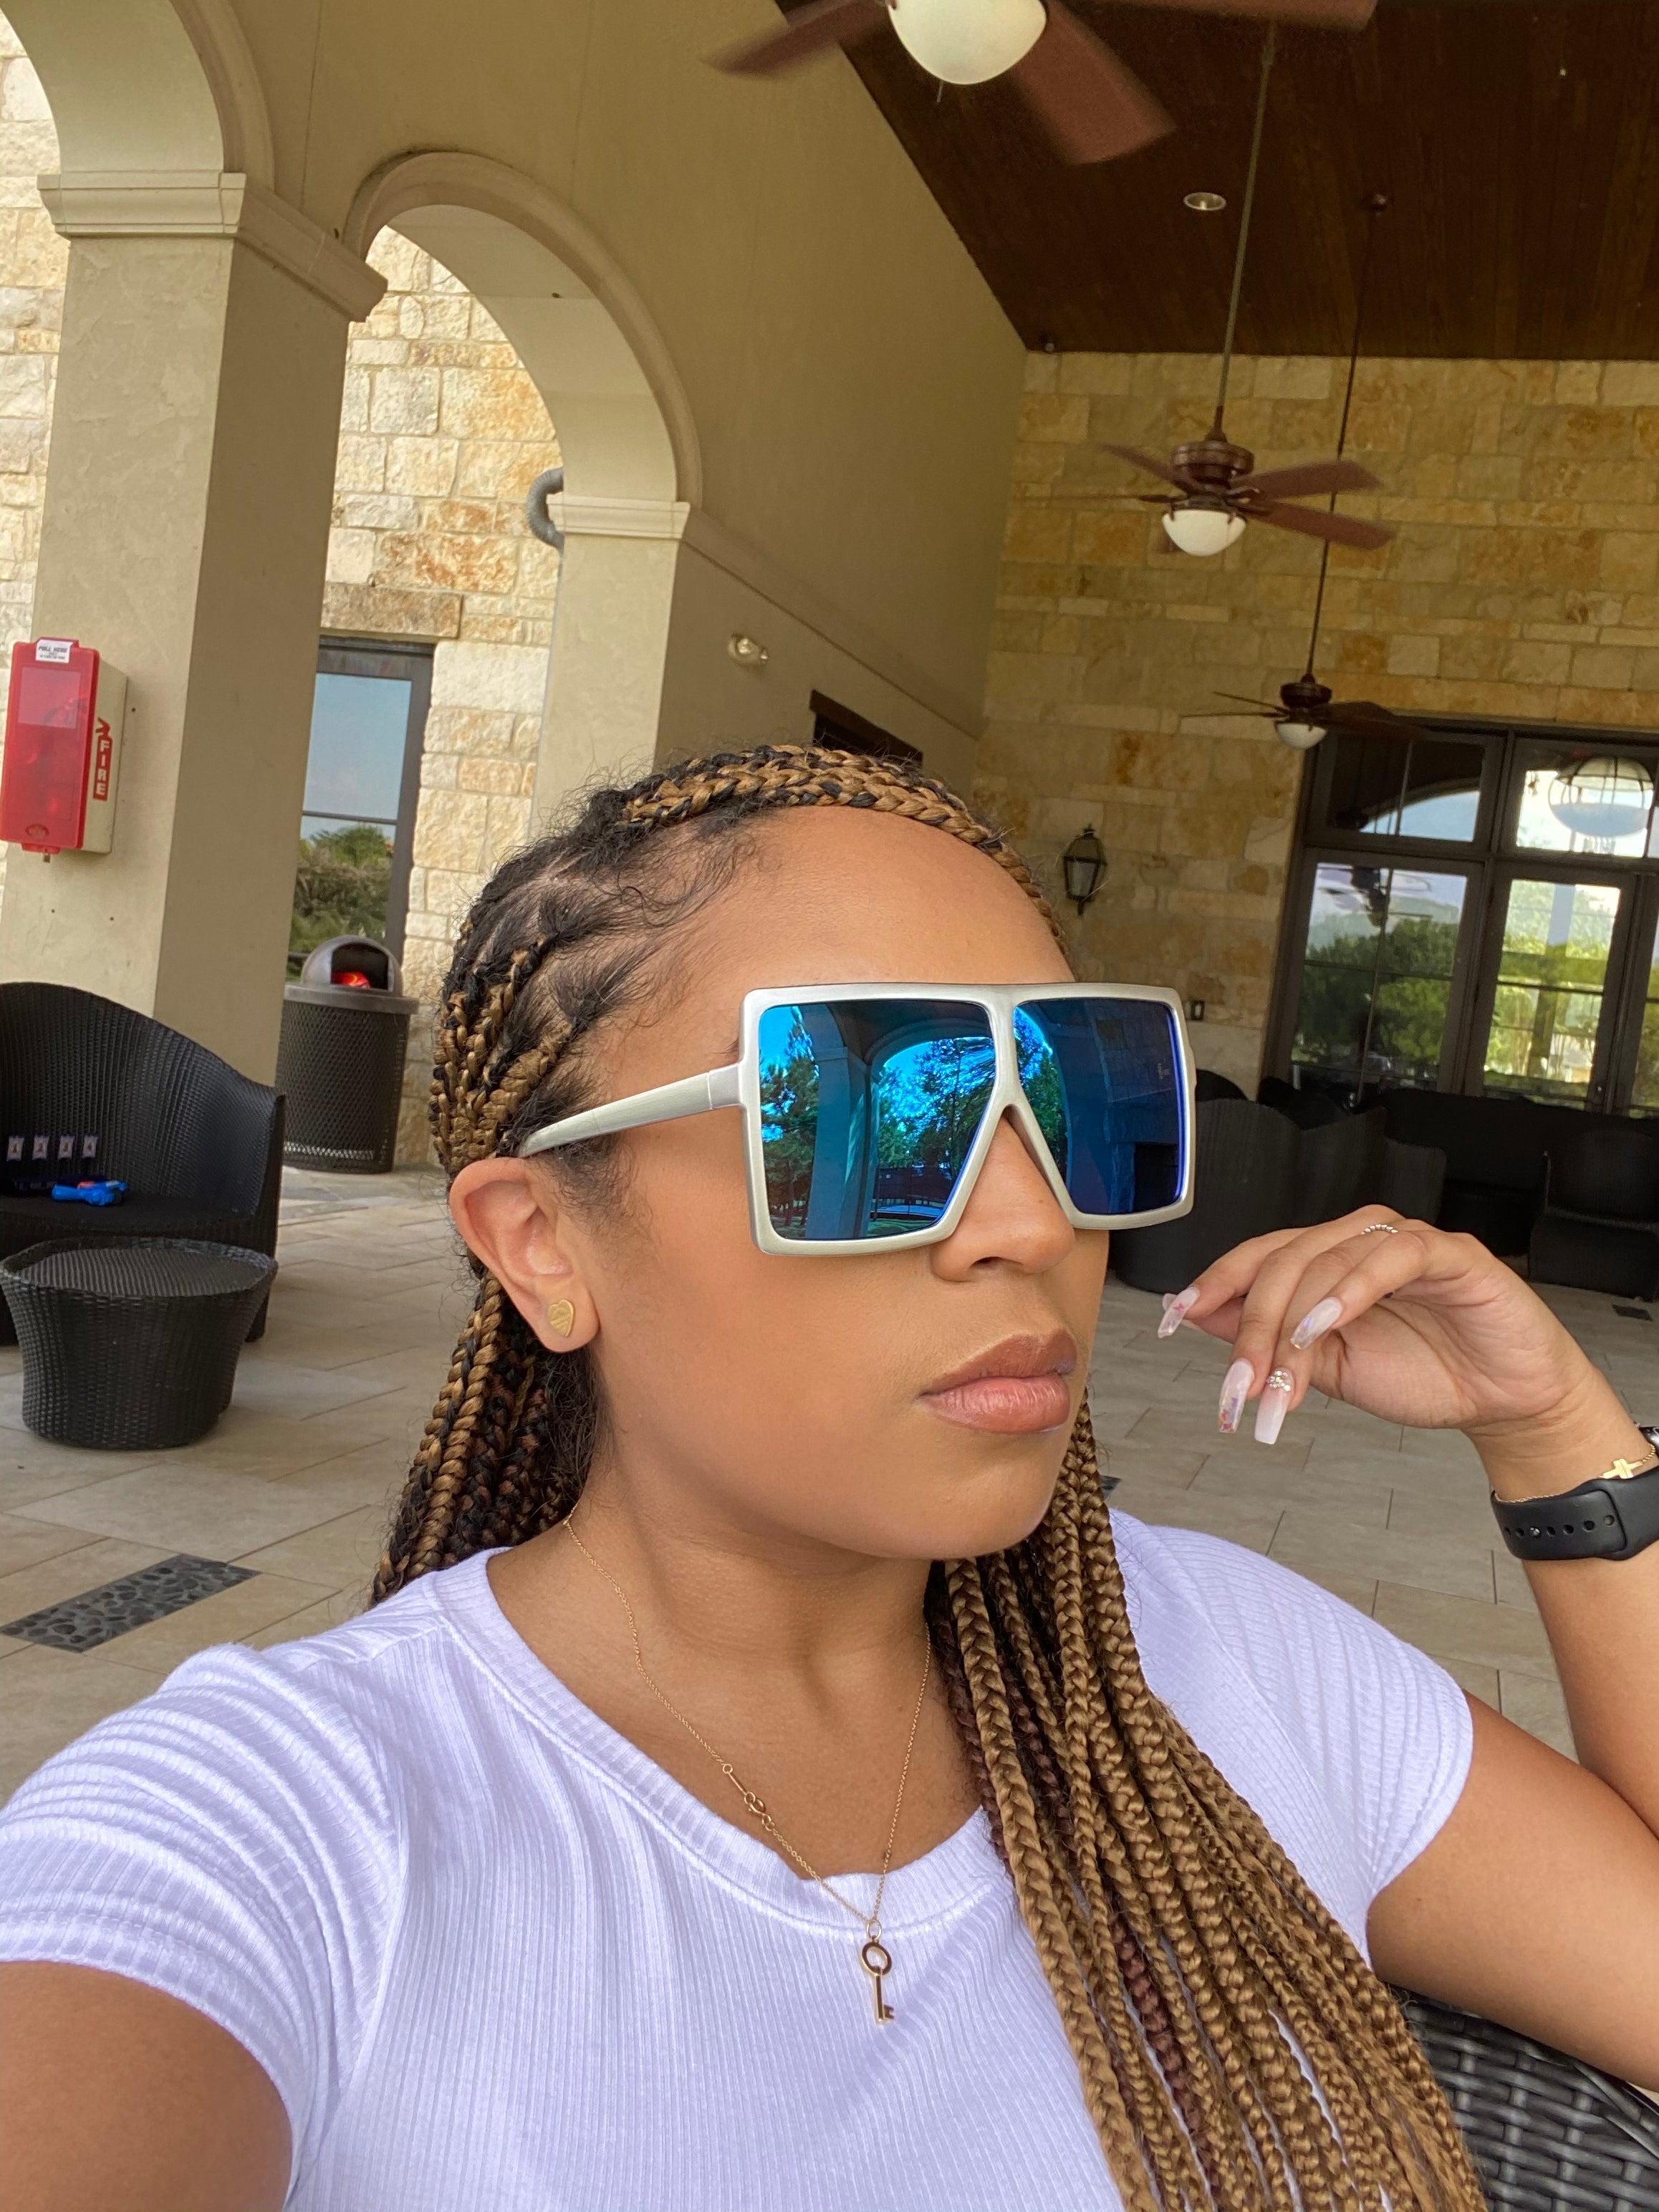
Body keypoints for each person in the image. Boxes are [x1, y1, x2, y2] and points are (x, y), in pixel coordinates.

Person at [1, 742, 1658, 2212]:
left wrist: (1554, 1429)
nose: (1030, 1220)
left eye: (1076, 1094)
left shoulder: (1231, 1659)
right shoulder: (289, 1830)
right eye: (874, 1107)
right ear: (542, 1242)